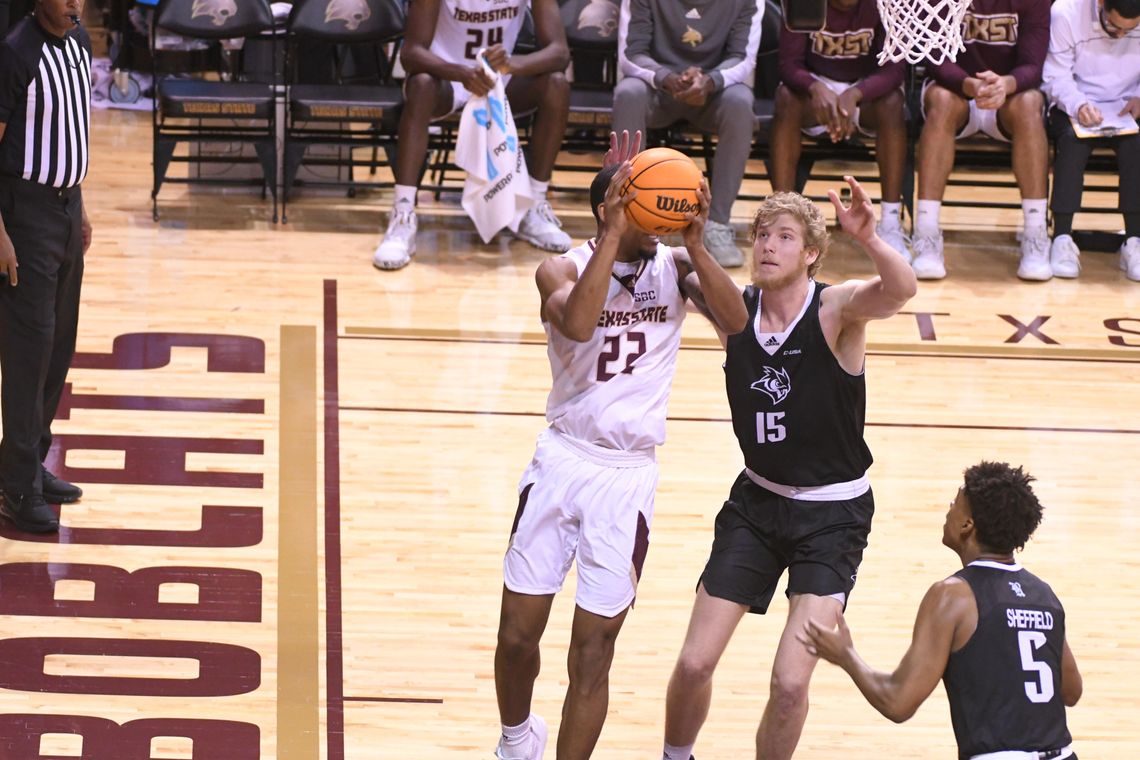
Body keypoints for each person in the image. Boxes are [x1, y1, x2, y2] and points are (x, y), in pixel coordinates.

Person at [493, 131, 748, 760]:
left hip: (627, 475)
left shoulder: (678, 269)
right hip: (561, 461)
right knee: (518, 635)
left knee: (594, 648)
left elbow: (740, 325)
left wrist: (695, 237)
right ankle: (515, 739)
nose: (654, 207)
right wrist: (613, 230)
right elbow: (578, 324)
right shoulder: (559, 268)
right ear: (610, 208)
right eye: (636, 198)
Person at [661, 178, 917, 760]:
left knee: (789, 682)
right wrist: (653, 213)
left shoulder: (835, 309)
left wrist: (872, 239)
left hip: (833, 517)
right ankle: (675, 755)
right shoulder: (735, 309)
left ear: (811, 254)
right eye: (760, 235)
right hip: (757, 504)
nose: (767, 246)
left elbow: (901, 289)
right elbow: (674, 261)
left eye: (784, 237)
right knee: (695, 660)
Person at [802, 461, 1082, 759]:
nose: (949, 508)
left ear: (967, 525)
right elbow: (1071, 691)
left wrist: (847, 657)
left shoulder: (952, 596)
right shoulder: (1043, 594)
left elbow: (898, 702)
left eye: (955, 503)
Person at [372, 0, 572, 271]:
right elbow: (411, 53)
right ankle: (403, 212)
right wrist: (461, 73)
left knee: (556, 83)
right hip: (447, 79)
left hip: (500, 78)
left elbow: (560, 52)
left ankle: (534, 205)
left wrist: (513, 64)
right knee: (420, 84)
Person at [0, 0, 91, 533]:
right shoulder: (15, 53)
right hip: (25, 213)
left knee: (58, 346)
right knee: (28, 353)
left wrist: (81, 203)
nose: (74, 3)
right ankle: (15, 489)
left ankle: (31, 462)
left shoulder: (80, 44)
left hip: (65, 206)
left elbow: (70, 130)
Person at [613, 0, 764, 268]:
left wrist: (710, 81)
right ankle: (628, 221)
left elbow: (743, 57)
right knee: (628, 93)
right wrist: (665, 77)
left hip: (712, 94)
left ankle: (717, 224)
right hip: (658, 89)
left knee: (741, 102)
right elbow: (631, 53)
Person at [912, 0, 1051, 281]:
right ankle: (926, 233)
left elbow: (1033, 65)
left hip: (1009, 95)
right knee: (940, 99)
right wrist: (970, 85)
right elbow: (936, 58)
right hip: (956, 90)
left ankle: (1036, 235)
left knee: (1030, 103)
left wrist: (1005, 84)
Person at [772, 0, 909, 260]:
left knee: (893, 103)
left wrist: (856, 93)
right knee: (785, 98)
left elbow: (894, 69)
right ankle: (784, 217)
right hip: (815, 91)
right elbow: (788, 64)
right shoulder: (801, 5)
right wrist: (814, 87)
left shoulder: (885, 5)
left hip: (864, 91)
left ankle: (891, 221)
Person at [1041, 0, 1140, 281]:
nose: (1120, 35)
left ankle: (1134, 239)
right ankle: (1062, 237)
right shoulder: (1066, 12)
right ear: (1100, 4)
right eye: (1114, 26)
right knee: (1072, 142)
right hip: (1075, 100)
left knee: (1136, 145)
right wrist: (1078, 105)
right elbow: (1054, 73)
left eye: (1129, 31)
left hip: (1126, 104)